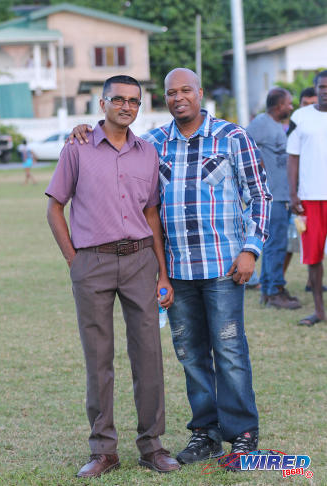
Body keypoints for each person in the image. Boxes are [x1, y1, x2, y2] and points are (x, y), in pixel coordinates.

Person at [68, 68, 272, 471]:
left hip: (223, 266)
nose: (179, 98)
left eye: (186, 91)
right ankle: (206, 433)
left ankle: (243, 434)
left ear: (200, 93)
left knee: (229, 350)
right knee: (190, 354)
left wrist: (251, 249)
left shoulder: (232, 137)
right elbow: (116, 147)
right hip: (176, 269)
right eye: (170, 92)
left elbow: (261, 195)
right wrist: (83, 130)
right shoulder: (155, 143)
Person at [46, 75, 180, 478]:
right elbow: (55, 207)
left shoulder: (147, 153)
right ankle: (104, 449)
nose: (127, 106)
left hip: (140, 260)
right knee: (98, 358)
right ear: (102, 103)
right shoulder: (78, 147)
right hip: (92, 263)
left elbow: (152, 215)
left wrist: (163, 273)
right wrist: (75, 261)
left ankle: (152, 446)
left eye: (134, 101)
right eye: (118, 99)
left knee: (148, 355)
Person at [247, 88, 301, 309]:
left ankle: (270, 291)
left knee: (275, 245)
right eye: (288, 103)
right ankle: (274, 292)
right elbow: (242, 142)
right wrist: (256, 170)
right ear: (279, 105)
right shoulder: (261, 122)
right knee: (275, 246)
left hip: (282, 195)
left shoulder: (278, 126)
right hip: (271, 196)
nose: (291, 107)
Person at [287, 70, 327, 326]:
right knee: (313, 256)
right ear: (315, 90)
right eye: (322, 87)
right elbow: (293, 157)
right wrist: (293, 193)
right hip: (310, 198)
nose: (325, 91)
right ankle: (319, 311)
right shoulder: (300, 117)